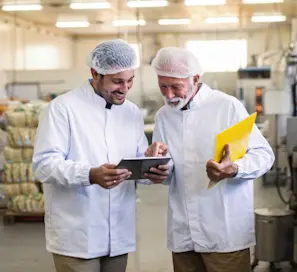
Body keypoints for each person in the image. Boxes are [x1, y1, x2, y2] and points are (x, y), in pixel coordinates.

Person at [32, 39, 169, 272]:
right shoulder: (63, 108)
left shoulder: (131, 112)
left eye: (129, 81)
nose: (125, 89)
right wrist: (90, 175)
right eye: (117, 81)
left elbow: (133, 166)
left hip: (118, 234)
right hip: (77, 236)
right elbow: (43, 165)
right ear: (95, 73)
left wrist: (151, 167)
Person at [146, 47, 275, 272]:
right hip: (183, 233)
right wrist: (158, 168)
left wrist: (234, 168)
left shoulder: (226, 107)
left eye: (175, 86)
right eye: (162, 86)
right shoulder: (164, 116)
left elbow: (264, 155)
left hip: (223, 233)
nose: (168, 95)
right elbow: (169, 173)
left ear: (195, 79)